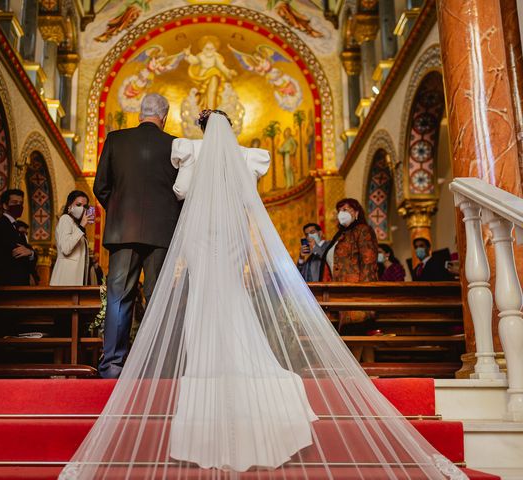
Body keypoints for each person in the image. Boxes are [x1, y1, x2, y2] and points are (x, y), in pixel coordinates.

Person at [61, 112, 465, 479]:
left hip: (201, 239)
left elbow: (179, 192)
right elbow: (248, 193)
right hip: (234, 238)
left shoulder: (189, 154)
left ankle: (197, 366)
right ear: (230, 130)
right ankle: (245, 360)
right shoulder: (246, 159)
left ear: (202, 130)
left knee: (199, 297)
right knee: (234, 297)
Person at [93, 93, 182, 379]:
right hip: (162, 233)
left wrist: (119, 212)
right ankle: (156, 365)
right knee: (158, 298)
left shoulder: (116, 140)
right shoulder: (175, 145)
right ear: (164, 117)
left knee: (119, 297)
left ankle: (112, 365)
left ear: (140, 113)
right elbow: (182, 193)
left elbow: (101, 186)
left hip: (122, 232)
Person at [322, 198, 378, 332]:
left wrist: (365, 294)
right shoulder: (340, 235)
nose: (341, 213)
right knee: (349, 338)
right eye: (339, 210)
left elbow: (368, 262)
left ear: (356, 212)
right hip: (339, 292)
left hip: (356, 293)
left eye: (345, 210)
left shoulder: (363, 230)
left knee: (356, 335)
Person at [0, 189, 37, 286]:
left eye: (21, 203)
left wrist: (30, 253)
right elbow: (16, 251)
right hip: (6, 284)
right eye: (14, 202)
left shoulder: (17, 226)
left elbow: (27, 250)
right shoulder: (0, 225)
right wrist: (29, 252)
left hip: (19, 283)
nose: (19, 205)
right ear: (5, 205)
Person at [50, 191, 93, 286]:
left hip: (76, 279)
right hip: (65, 279)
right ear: (69, 206)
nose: (82, 208)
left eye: (85, 206)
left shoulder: (76, 226)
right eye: (78, 204)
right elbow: (66, 248)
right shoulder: (65, 219)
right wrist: (81, 226)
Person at [14, 220, 40, 285]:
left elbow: (34, 259)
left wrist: (31, 253)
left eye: (26, 234)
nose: (24, 236)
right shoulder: (12, 244)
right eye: (22, 233)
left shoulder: (28, 246)